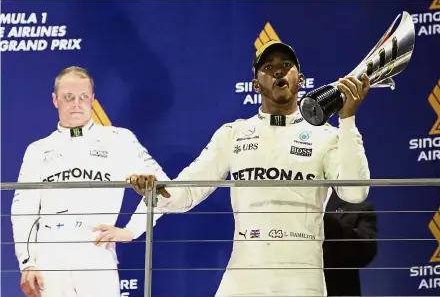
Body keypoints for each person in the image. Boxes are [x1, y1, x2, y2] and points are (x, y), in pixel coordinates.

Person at [128, 39, 371, 296]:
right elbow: (186, 193)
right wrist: (153, 189)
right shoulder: (233, 134)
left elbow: (354, 193)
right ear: (255, 85)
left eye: (286, 65)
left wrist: (348, 120)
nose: (278, 71)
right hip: (243, 278)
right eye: (268, 67)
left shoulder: (326, 136)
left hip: (301, 278)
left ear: (300, 79)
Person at [11, 66, 169, 297]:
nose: (77, 103)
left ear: (93, 100)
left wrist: (131, 231)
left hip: (97, 255)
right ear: (55, 100)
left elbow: (162, 187)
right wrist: (27, 263)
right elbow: (23, 209)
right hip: (49, 260)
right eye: (68, 97)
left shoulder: (118, 139)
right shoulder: (38, 150)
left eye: (84, 97)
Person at [323, 188, 378, 296]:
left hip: (337, 290)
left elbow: (367, 251)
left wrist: (338, 228)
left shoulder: (360, 207)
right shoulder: (290, 205)